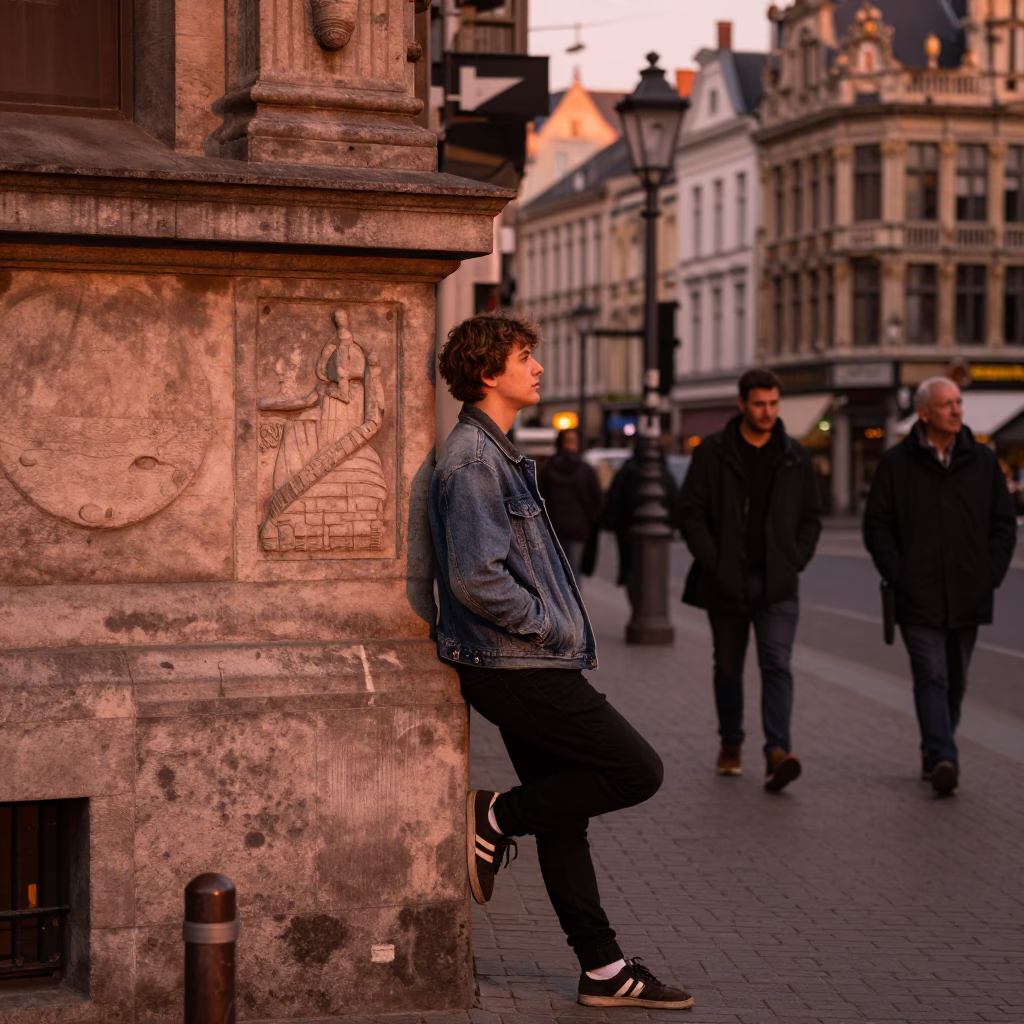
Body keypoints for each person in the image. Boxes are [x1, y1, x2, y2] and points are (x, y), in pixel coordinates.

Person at [429, 312, 694, 1010]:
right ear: (490, 373)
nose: (537, 367)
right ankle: (494, 817)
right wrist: (546, 626)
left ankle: (602, 969)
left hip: (522, 664)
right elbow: (475, 578)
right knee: (636, 770)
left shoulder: (494, 452)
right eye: (524, 357)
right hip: (517, 666)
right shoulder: (473, 461)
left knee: (565, 816)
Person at [863, 377, 1017, 796]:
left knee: (957, 679)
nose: (956, 410)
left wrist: (990, 572)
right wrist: (901, 573)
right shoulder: (897, 463)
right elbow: (876, 525)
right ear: (925, 413)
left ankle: (935, 752)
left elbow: (1003, 524)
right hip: (917, 593)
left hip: (969, 591)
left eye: (959, 402)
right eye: (946, 404)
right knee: (931, 674)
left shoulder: (982, 461)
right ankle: (944, 754)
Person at [676, 369, 822, 791]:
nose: (768, 412)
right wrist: (716, 562)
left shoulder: (795, 455)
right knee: (728, 666)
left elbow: (812, 517)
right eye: (760, 404)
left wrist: (794, 560)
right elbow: (691, 511)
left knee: (777, 663)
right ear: (742, 404)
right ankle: (731, 743)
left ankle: (778, 751)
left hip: (778, 583)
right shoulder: (715, 452)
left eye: (774, 404)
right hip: (728, 581)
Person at [603, 448, 678, 595]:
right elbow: (674, 499)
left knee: (632, 569)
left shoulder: (629, 470)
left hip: (627, 528)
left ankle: (638, 600)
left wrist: (611, 521)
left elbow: (614, 498)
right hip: (638, 529)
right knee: (651, 569)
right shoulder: (662, 472)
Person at [538, 429, 603, 579]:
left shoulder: (548, 469)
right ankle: (574, 601)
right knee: (573, 572)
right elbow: (597, 500)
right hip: (578, 529)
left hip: (554, 527)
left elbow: (540, 498)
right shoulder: (586, 470)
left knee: (556, 573)